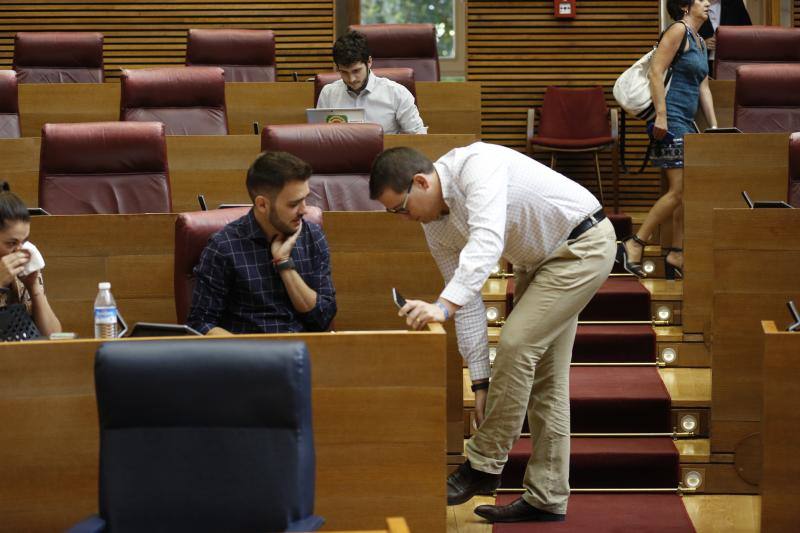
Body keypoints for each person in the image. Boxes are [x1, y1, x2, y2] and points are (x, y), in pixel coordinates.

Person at [369, 143, 616, 522]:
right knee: (546, 381)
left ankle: (483, 464)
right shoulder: (435, 227)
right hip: (539, 263)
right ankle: (546, 497)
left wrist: (442, 306)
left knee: (516, 345)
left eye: (401, 208)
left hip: (582, 245)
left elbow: (487, 242)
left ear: (420, 181)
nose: (404, 218)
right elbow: (466, 301)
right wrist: (481, 382)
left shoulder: (475, 166)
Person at [618, 0, 717, 280]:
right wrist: (660, 115)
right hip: (670, 118)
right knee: (678, 190)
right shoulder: (677, 31)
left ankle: (676, 252)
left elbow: (704, 86)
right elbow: (656, 72)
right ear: (686, 6)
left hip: (687, 121)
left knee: (685, 194)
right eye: (701, 0)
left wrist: (714, 127)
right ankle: (634, 243)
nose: (708, 3)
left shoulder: (698, 39)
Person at [187, 151, 336, 335]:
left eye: (305, 198)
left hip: (302, 352)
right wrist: (252, 353)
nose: (304, 210)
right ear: (262, 205)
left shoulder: (312, 236)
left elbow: (323, 319)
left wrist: (284, 264)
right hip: (248, 357)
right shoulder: (224, 247)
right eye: (293, 204)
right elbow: (200, 324)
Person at [316, 30, 426, 135]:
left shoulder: (397, 94)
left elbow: (418, 137)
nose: (351, 79)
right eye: (344, 72)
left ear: (369, 62)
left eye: (356, 71)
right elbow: (319, 137)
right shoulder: (328, 94)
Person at [0, 189, 61, 337]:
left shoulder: (21, 274)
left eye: (24, 241)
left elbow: (53, 337)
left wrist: (35, 290)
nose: (19, 251)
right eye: (11, 243)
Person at [698, 0, 752, 74]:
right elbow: (687, 32)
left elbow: (748, 32)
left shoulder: (735, 3)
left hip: (731, 61)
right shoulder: (694, 4)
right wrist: (701, 43)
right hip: (701, 61)